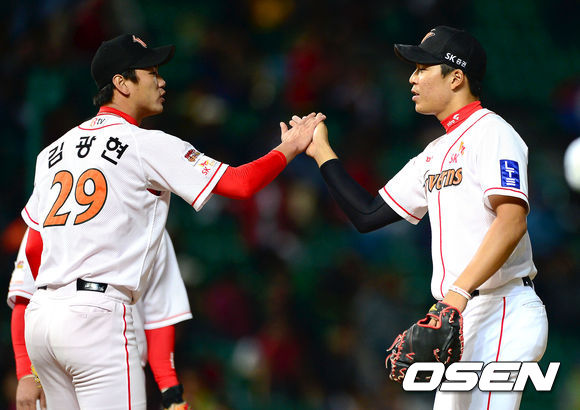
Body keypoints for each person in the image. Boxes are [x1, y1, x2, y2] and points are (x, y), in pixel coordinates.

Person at [20, 33, 325, 409]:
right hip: (97, 316)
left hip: (42, 317)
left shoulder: (50, 154)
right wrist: (292, 145)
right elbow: (240, 184)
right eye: (151, 72)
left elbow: (33, 249)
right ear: (121, 83)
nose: (162, 81)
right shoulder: (146, 143)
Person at [305, 26, 548, 409]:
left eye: (422, 68)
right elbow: (367, 214)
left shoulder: (493, 133)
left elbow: (512, 221)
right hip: (462, 315)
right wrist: (321, 151)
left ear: (456, 77)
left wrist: (455, 296)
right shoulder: (434, 153)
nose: (412, 78)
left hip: (502, 308)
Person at [9, 228, 192, 409]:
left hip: (112, 361)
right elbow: (25, 296)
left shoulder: (150, 219)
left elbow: (158, 315)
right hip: (99, 357)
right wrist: (26, 373)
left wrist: (170, 388)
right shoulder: (47, 213)